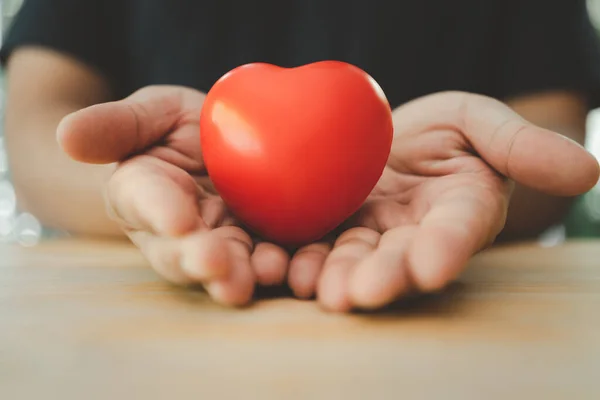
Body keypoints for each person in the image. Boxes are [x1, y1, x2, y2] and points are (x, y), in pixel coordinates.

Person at [1, 0, 599, 312]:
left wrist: (491, 171)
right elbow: (38, 123)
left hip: (469, 315)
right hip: (132, 318)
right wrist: (152, 200)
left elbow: (550, 123)